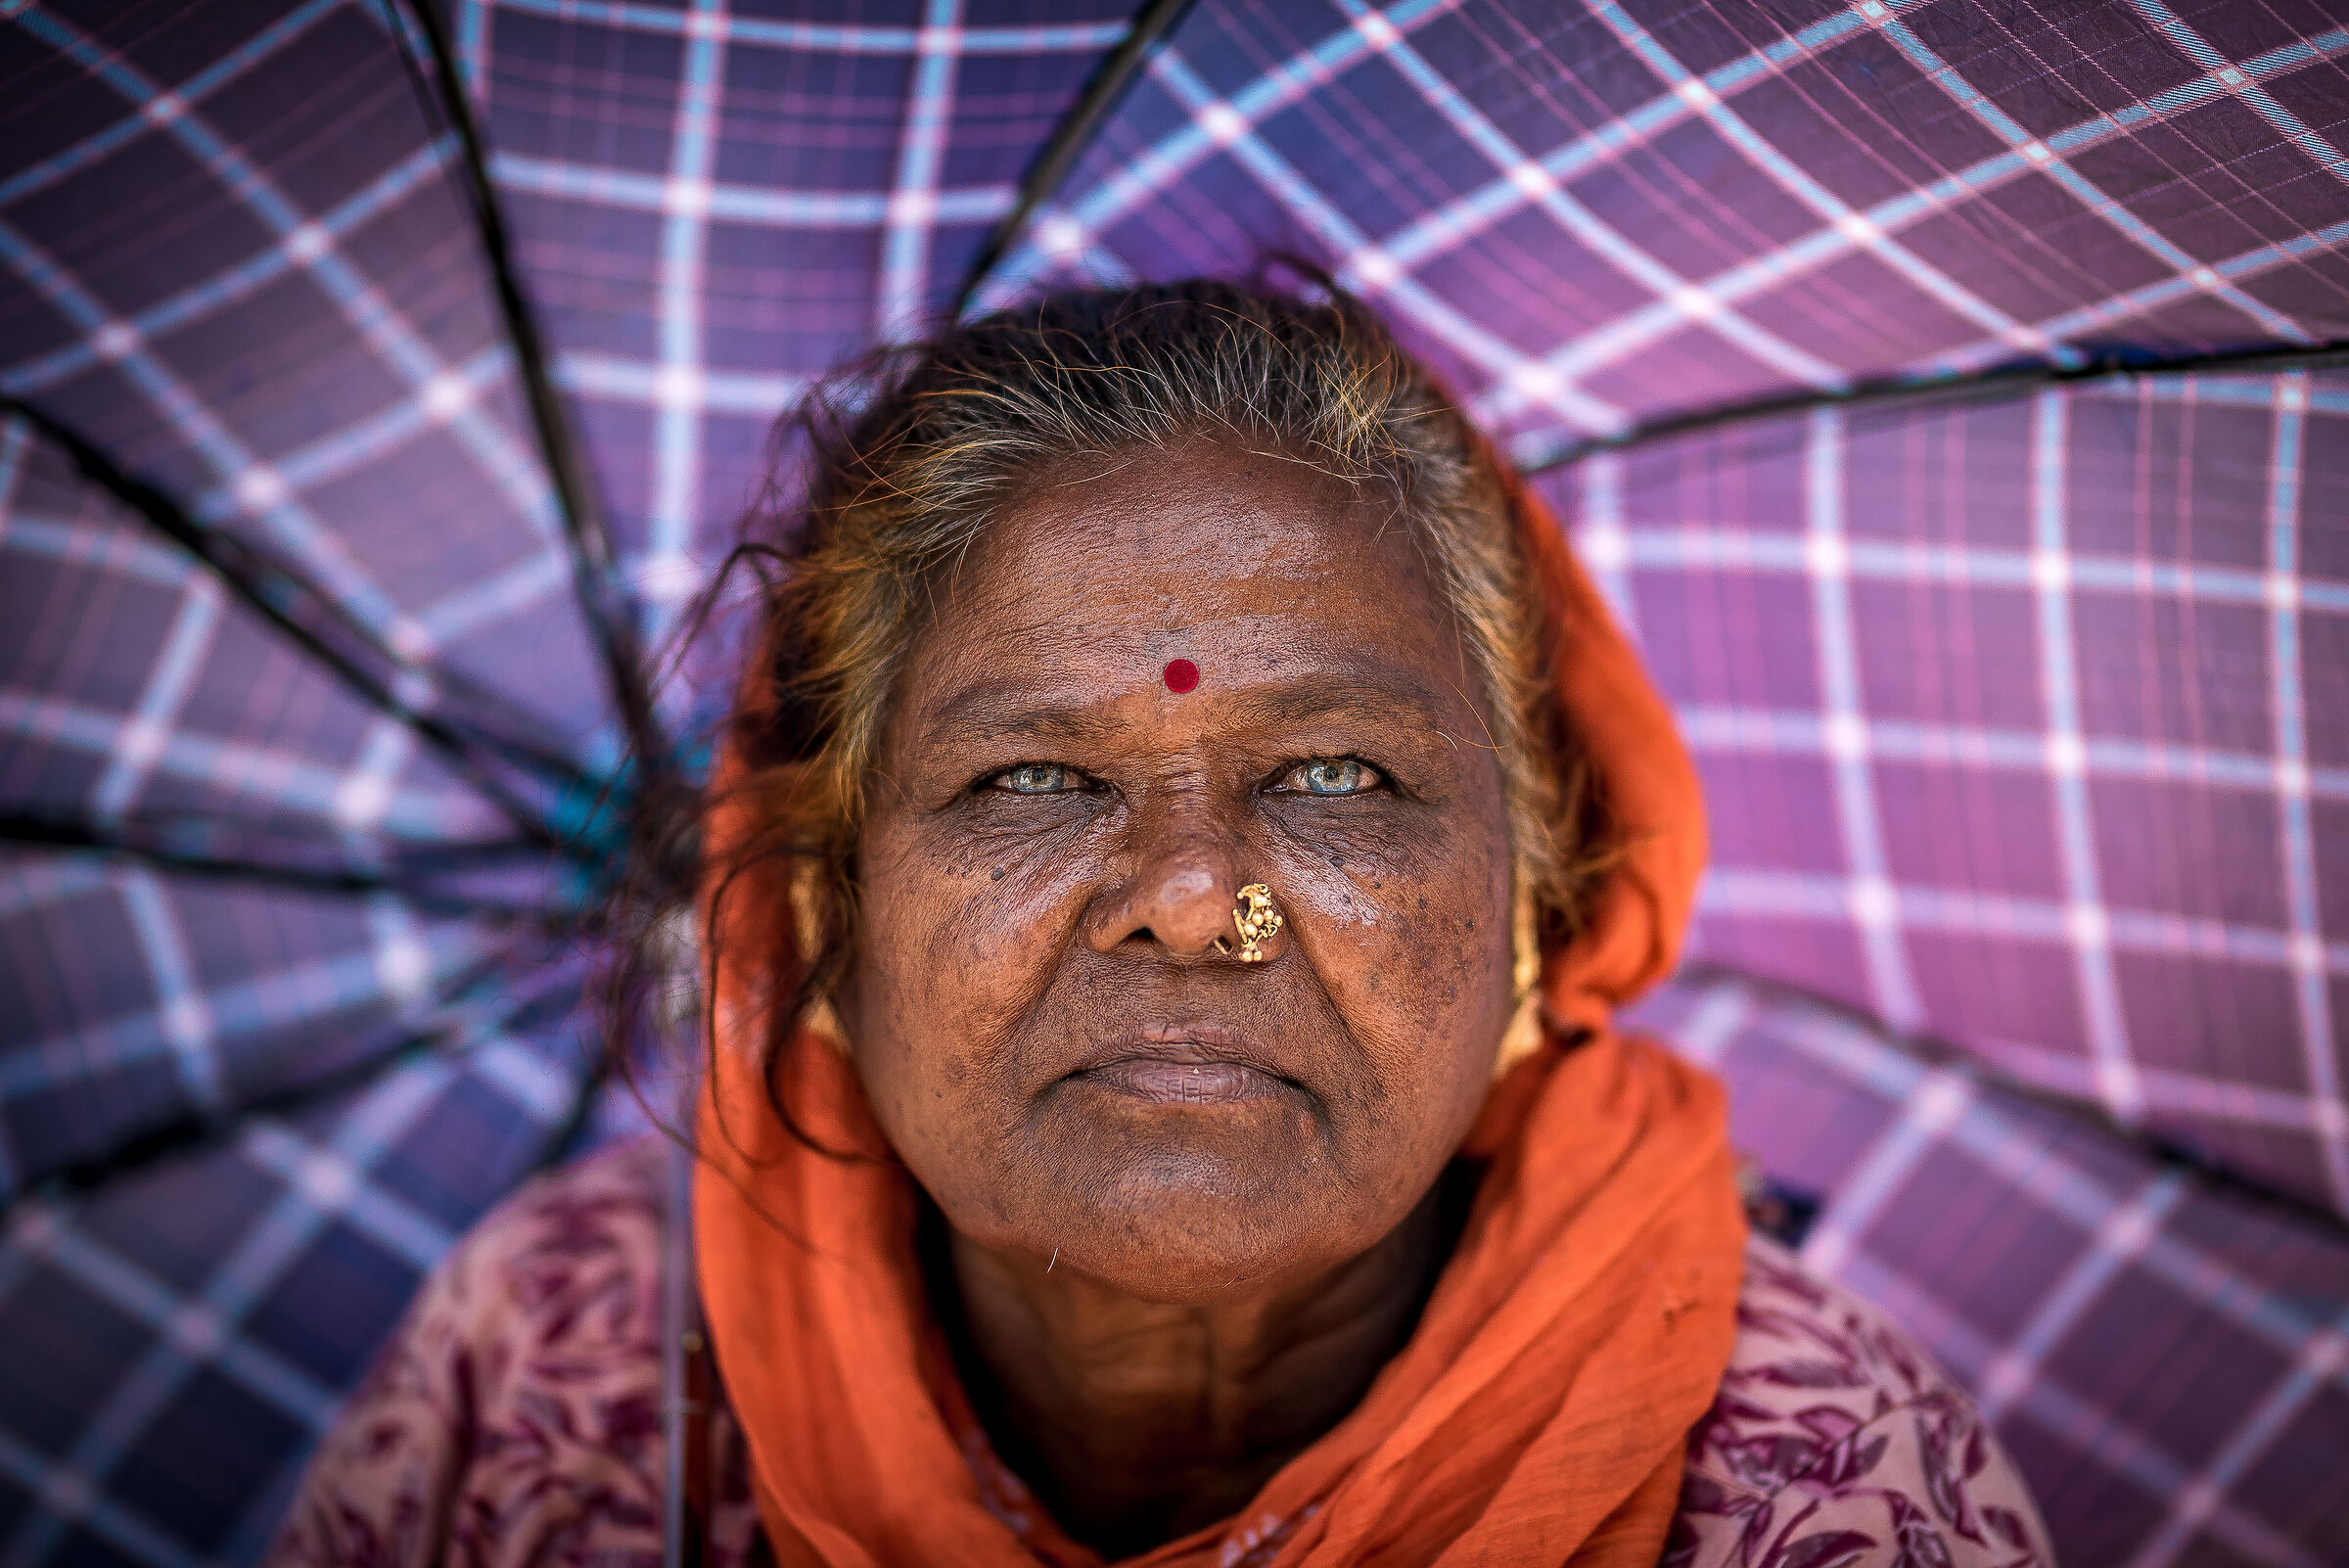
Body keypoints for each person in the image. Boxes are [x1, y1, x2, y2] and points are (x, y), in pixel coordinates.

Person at [268, 281, 2051, 1567]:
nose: (1199, 895)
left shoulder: (1813, 1487)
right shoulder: (570, 1382)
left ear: (1532, 918)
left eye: (1340, 775)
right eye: (1032, 778)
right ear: (828, 909)